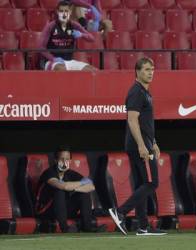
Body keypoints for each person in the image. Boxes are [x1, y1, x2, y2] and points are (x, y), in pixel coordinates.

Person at [108, 57, 166, 236]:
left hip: (146, 143)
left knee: (143, 183)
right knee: (152, 182)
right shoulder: (136, 92)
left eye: (152, 69)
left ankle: (143, 227)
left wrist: (154, 142)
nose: (151, 73)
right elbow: (132, 120)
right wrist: (142, 145)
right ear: (138, 72)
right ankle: (120, 212)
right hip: (139, 145)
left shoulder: (146, 92)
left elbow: (145, 122)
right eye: (147, 69)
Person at [35, 146, 104, 233]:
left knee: (84, 194)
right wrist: (81, 184)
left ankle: (88, 227)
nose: (64, 162)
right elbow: (63, 186)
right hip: (46, 211)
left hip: (63, 210)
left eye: (67, 159)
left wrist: (75, 189)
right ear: (56, 160)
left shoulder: (71, 173)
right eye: (62, 159)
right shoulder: (49, 173)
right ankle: (65, 228)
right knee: (59, 191)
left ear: (70, 161)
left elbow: (91, 186)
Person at [40, 1, 98, 71]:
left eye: (66, 11)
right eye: (61, 11)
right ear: (57, 12)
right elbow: (41, 47)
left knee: (92, 70)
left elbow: (92, 39)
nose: (64, 14)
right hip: (51, 61)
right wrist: (53, 58)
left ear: (70, 12)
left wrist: (81, 35)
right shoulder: (51, 26)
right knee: (61, 69)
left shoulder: (74, 25)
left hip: (69, 61)